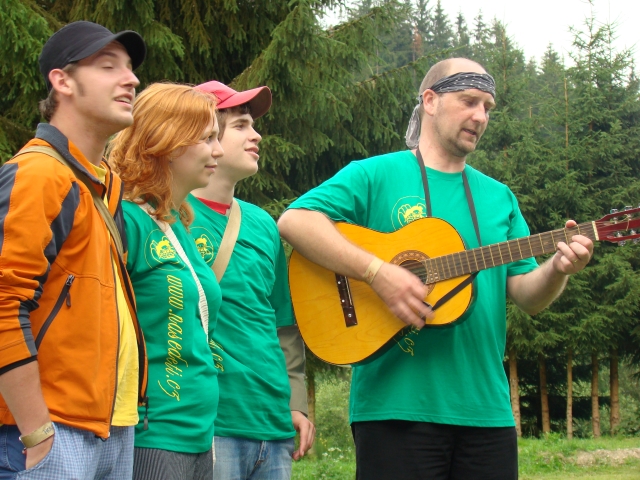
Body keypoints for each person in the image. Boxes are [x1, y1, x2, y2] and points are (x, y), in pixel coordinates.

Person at [277, 58, 594, 480]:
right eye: (469, 101)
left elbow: (527, 295)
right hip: (394, 408)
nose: (480, 116)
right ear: (430, 101)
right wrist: (376, 272)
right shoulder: (375, 174)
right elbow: (295, 221)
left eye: (488, 107)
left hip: (487, 411)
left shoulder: (499, 198)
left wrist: (559, 268)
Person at [0, 21, 148, 479]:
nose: (131, 79)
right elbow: (3, 303)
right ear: (62, 81)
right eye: (108, 66)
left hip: (111, 429)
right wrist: (37, 433)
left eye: (130, 68)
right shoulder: (40, 174)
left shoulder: (104, 187)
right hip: (48, 432)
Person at [189, 80, 315, 480]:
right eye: (241, 125)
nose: (256, 135)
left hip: (273, 428)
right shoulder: (168, 215)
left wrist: (296, 403)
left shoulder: (263, 224)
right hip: (210, 423)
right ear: (204, 135)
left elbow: (283, 325)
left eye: (253, 125)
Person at [108, 82, 224, 480]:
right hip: (153, 434)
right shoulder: (128, 220)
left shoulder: (176, 225)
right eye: (208, 138)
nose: (218, 151)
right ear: (169, 142)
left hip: (199, 433)